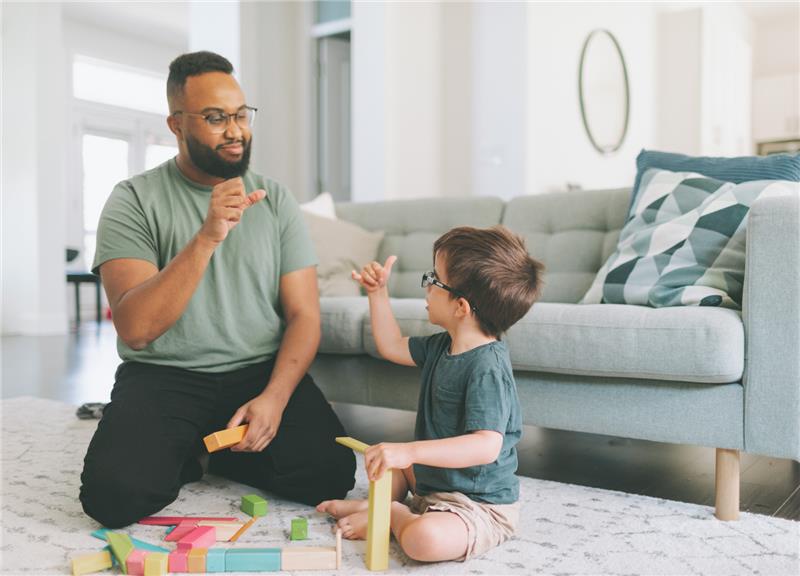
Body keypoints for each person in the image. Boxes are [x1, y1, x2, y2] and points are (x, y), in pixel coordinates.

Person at [79, 51, 355, 528]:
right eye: (215, 118)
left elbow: (304, 314)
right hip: (166, 375)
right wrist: (206, 237)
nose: (235, 130)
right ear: (176, 124)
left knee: (329, 474)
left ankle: (211, 450)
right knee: (112, 497)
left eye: (241, 114)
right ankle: (193, 447)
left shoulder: (276, 199)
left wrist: (275, 397)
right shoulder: (133, 200)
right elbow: (137, 329)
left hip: (256, 372)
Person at [318, 226, 544, 562]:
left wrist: (409, 450)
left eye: (433, 279)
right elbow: (391, 346)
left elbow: (486, 444)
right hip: (429, 481)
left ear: (461, 307)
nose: (426, 286)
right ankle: (383, 506)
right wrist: (377, 293)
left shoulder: (487, 367)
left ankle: (391, 515)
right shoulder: (443, 346)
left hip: (476, 504)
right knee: (387, 465)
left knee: (424, 541)